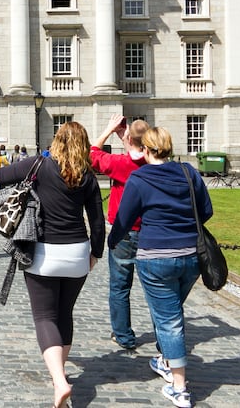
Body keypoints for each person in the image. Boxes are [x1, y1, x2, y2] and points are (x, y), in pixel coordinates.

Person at [0, 122, 105, 408]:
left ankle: (59, 381)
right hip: (77, 253)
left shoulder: (38, 165)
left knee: (44, 317)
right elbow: (96, 221)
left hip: (43, 252)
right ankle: (60, 373)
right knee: (64, 312)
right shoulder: (88, 176)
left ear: (56, 141)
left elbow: (0, 175)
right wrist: (96, 253)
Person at [107, 127, 213, 408]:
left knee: (169, 320)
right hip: (191, 256)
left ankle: (179, 387)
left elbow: (124, 219)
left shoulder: (139, 178)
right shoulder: (189, 172)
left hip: (156, 256)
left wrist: (111, 241)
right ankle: (166, 358)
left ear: (144, 150)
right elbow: (206, 211)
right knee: (173, 312)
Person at [90, 113, 150, 351]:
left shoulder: (120, 164)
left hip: (124, 233)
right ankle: (164, 335)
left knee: (120, 286)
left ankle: (123, 335)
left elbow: (92, 153)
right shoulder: (155, 164)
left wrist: (108, 129)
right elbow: (138, 155)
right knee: (155, 290)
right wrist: (127, 139)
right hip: (151, 234)